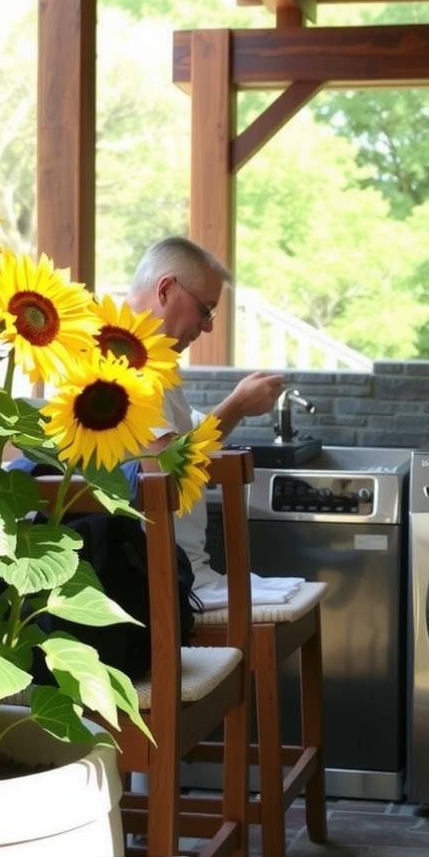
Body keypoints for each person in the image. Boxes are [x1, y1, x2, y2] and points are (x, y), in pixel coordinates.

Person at [128, 236, 286, 599]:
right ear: (166, 289)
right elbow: (167, 471)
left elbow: (192, 439)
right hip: (155, 576)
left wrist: (238, 406)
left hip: (186, 569)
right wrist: (236, 406)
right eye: (205, 310)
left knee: (303, 591)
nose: (209, 327)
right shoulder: (124, 362)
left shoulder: (155, 362)